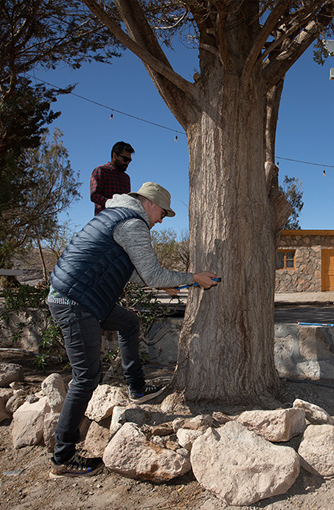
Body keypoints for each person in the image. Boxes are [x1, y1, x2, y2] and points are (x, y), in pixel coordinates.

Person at [47, 181, 218, 478]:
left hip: (83, 297)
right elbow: (151, 273)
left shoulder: (114, 217)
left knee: (128, 322)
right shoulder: (133, 223)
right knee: (86, 376)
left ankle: (136, 388)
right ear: (149, 204)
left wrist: (169, 282)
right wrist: (192, 278)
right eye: (162, 213)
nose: (161, 220)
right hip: (76, 301)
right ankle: (63, 457)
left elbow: (133, 274)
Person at [90, 141, 134, 215]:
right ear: (114, 156)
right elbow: (94, 195)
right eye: (125, 159)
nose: (127, 163)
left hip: (122, 221)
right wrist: (112, 203)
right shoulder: (101, 171)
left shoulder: (126, 178)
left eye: (129, 160)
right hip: (104, 220)